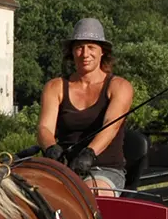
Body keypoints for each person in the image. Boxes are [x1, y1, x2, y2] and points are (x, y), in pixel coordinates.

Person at [37, 18, 134, 193]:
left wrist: (89, 153)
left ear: (102, 52)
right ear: (72, 52)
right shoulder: (55, 87)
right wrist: (51, 148)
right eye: (79, 47)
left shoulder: (119, 86)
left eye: (91, 47)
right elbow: (44, 127)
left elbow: (111, 127)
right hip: (63, 170)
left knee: (85, 195)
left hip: (104, 170)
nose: (85, 54)